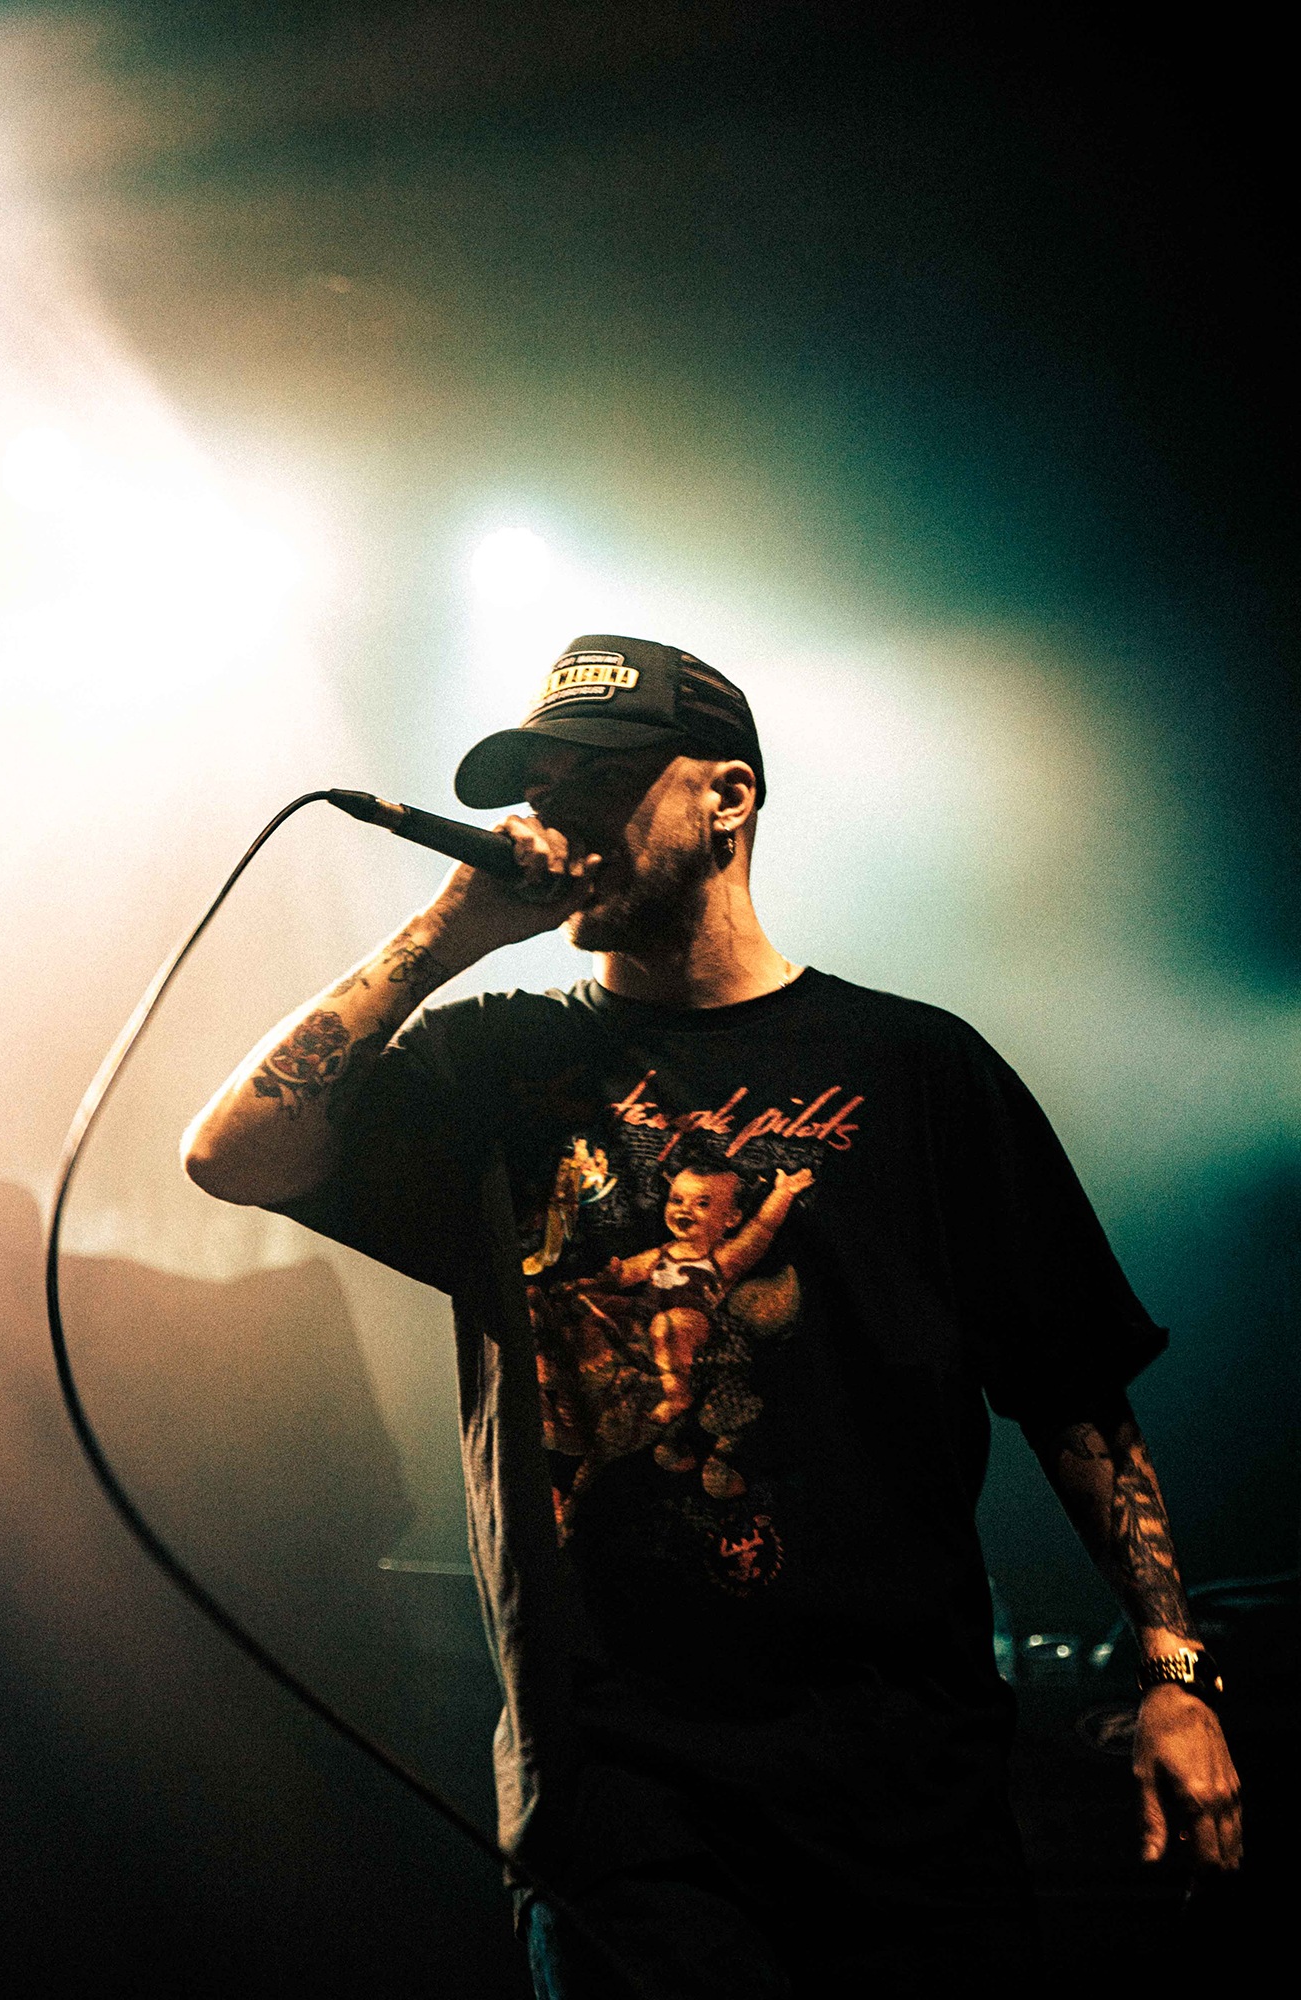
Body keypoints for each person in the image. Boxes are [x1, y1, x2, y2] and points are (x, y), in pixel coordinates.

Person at [181, 636, 1241, 1997]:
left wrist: (1174, 1670)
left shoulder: (917, 1067)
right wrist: (449, 932)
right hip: (623, 1809)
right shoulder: (493, 1065)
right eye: (539, 790)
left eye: (598, 782)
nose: (553, 816)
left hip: (909, 1800)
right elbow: (235, 1152)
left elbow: (1073, 1391)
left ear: (727, 797)